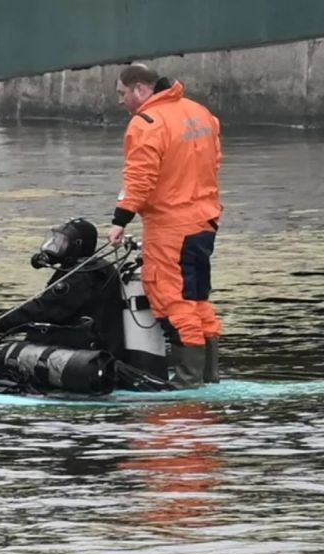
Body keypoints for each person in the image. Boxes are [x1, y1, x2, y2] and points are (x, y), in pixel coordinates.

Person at [108, 64, 222, 388]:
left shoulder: (146, 123)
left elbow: (140, 179)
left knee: (174, 300)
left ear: (141, 90)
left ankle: (187, 381)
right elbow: (213, 163)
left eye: (122, 93)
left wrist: (120, 221)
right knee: (197, 297)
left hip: (170, 226)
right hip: (204, 221)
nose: (121, 101)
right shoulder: (199, 112)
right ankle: (208, 377)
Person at [0, 218, 132, 389]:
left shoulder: (81, 276)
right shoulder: (89, 270)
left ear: (77, 246)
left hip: (84, 355)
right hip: (81, 348)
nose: (54, 247)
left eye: (61, 243)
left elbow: (36, 312)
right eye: (54, 241)